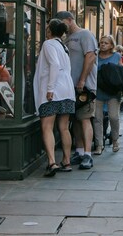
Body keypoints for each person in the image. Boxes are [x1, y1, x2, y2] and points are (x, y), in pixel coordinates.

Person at [35, 19, 76, 176]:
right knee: (64, 127)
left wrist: (50, 88)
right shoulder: (63, 46)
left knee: (47, 126)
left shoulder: (48, 44)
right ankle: (66, 161)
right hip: (67, 90)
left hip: (53, 90)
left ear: (50, 31)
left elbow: (54, 65)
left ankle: (52, 162)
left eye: (47, 29)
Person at [57, 11, 97, 170]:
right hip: (69, 86)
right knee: (75, 119)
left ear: (69, 20)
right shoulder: (66, 39)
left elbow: (90, 56)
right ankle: (79, 151)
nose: (60, 26)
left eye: (61, 22)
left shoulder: (85, 34)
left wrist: (82, 79)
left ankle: (88, 154)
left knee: (85, 118)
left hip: (84, 86)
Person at [92, 35, 123, 154]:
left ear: (111, 45)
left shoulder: (116, 56)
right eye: (101, 42)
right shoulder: (95, 55)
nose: (103, 45)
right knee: (97, 118)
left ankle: (115, 140)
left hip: (113, 92)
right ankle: (99, 145)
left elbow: (121, 72)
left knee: (114, 117)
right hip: (98, 91)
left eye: (106, 43)